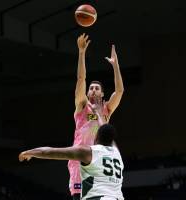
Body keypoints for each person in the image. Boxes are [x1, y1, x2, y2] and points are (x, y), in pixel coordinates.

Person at [68, 33, 124, 199]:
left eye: (96, 88)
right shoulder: (82, 106)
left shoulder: (106, 109)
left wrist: (115, 66)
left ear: (102, 93)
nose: (93, 89)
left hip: (100, 163)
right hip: (80, 161)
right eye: (91, 88)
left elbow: (120, 91)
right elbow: (80, 78)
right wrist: (81, 53)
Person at [19, 123, 124, 200]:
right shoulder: (117, 153)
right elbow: (107, 132)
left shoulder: (88, 152)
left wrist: (30, 152)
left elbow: (50, 152)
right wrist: (99, 113)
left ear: (96, 137)